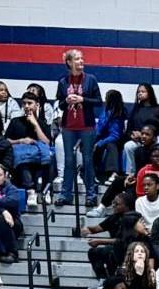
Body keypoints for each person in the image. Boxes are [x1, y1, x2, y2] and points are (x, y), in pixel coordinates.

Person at [53, 50, 101, 207]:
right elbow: (59, 103)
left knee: (87, 161)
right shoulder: (63, 81)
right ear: (69, 62)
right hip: (68, 126)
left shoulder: (91, 79)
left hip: (86, 126)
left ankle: (91, 194)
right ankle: (66, 194)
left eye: (82, 58)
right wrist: (66, 101)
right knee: (68, 160)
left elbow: (98, 102)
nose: (81, 61)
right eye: (78, 59)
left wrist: (82, 99)